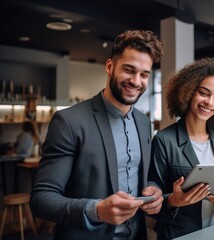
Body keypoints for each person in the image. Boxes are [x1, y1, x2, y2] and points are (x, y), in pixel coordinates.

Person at [30, 30, 164, 240]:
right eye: (129, 70)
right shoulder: (69, 122)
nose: (136, 81)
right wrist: (97, 210)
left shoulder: (143, 122)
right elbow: (41, 199)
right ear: (110, 67)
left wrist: (153, 190)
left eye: (144, 74)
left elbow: (142, 177)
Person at [148, 58, 214, 239]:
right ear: (189, 92)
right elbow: (152, 207)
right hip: (180, 234)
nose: (210, 102)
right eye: (203, 93)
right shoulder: (164, 140)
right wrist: (174, 201)